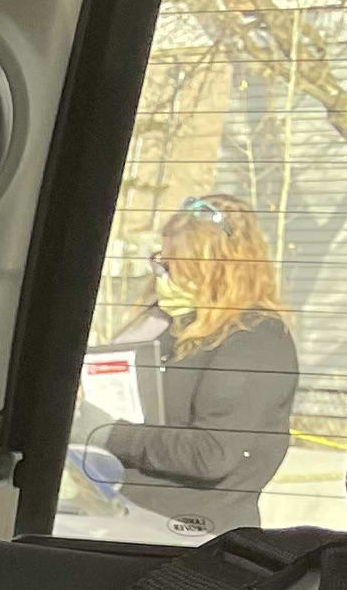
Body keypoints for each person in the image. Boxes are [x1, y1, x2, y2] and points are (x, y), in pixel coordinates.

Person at [67, 189, 301, 533]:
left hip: (192, 532)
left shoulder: (256, 339)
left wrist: (109, 433)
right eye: (160, 262)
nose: (162, 276)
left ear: (215, 271)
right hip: (121, 511)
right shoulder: (166, 322)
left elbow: (212, 454)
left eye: (173, 266)